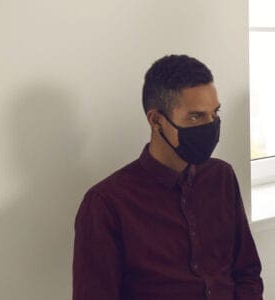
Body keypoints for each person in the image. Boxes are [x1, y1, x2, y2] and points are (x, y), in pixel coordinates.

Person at [73, 55, 263, 299]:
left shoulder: (221, 177)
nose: (210, 125)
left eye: (214, 114)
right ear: (156, 120)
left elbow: (246, 271)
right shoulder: (106, 204)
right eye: (195, 116)